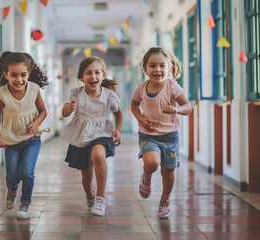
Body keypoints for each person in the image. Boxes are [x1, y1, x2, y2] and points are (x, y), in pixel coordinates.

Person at [131, 47, 192, 218]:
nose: (157, 69)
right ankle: (147, 176)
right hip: (148, 134)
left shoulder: (173, 87)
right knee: (152, 163)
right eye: (152, 66)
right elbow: (135, 105)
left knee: (169, 173)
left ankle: (165, 199)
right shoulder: (141, 87)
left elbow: (188, 107)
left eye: (162, 66)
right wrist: (141, 120)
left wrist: (175, 109)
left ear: (169, 68)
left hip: (170, 136)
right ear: (145, 69)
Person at [0, 51, 48, 220]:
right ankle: (12, 190)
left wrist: (36, 123)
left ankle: (25, 204)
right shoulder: (2, 93)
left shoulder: (34, 89)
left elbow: (43, 111)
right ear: (5, 74)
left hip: (32, 140)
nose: (19, 79)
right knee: (13, 176)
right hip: (11, 141)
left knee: (27, 173)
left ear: (28, 74)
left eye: (23, 75)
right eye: (13, 75)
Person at [61, 56, 123, 216]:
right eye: (88, 73)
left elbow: (118, 113)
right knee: (86, 177)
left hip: (102, 134)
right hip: (81, 135)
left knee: (98, 155)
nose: (93, 76)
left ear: (103, 76)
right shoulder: (76, 93)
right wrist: (68, 108)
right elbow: (64, 112)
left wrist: (118, 130)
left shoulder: (109, 95)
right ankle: (90, 194)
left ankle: (101, 198)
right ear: (81, 77)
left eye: (97, 72)